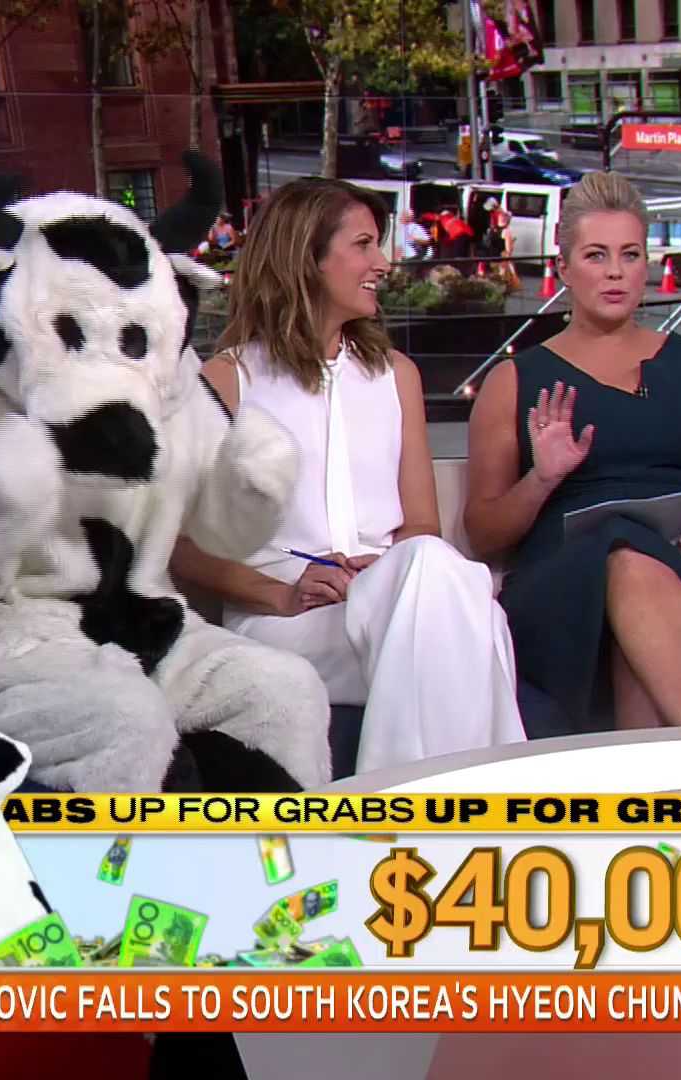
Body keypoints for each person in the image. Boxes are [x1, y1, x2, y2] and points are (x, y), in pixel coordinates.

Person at [170, 178, 527, 774]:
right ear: (306, 258)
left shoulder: (397, 375)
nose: (383, 264)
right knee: (469, 621)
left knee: (433, 579)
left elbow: (420, 526)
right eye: (364, 245)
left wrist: (385, 573)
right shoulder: (228, 381)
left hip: (393, 594)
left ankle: (401, 800)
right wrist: (282, 594)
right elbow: (179, 546)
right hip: (290, 618)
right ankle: (477, 797)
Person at [464, 172, 681, 730]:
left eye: (631, 254)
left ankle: (676, 758)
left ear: (647, 264)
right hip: (561, 594)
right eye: (596, 255)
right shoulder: (515, 380)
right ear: (564, 268)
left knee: (637, 582)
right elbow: (483, 533)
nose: (616, 271)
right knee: (622, 553)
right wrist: (543, 478)